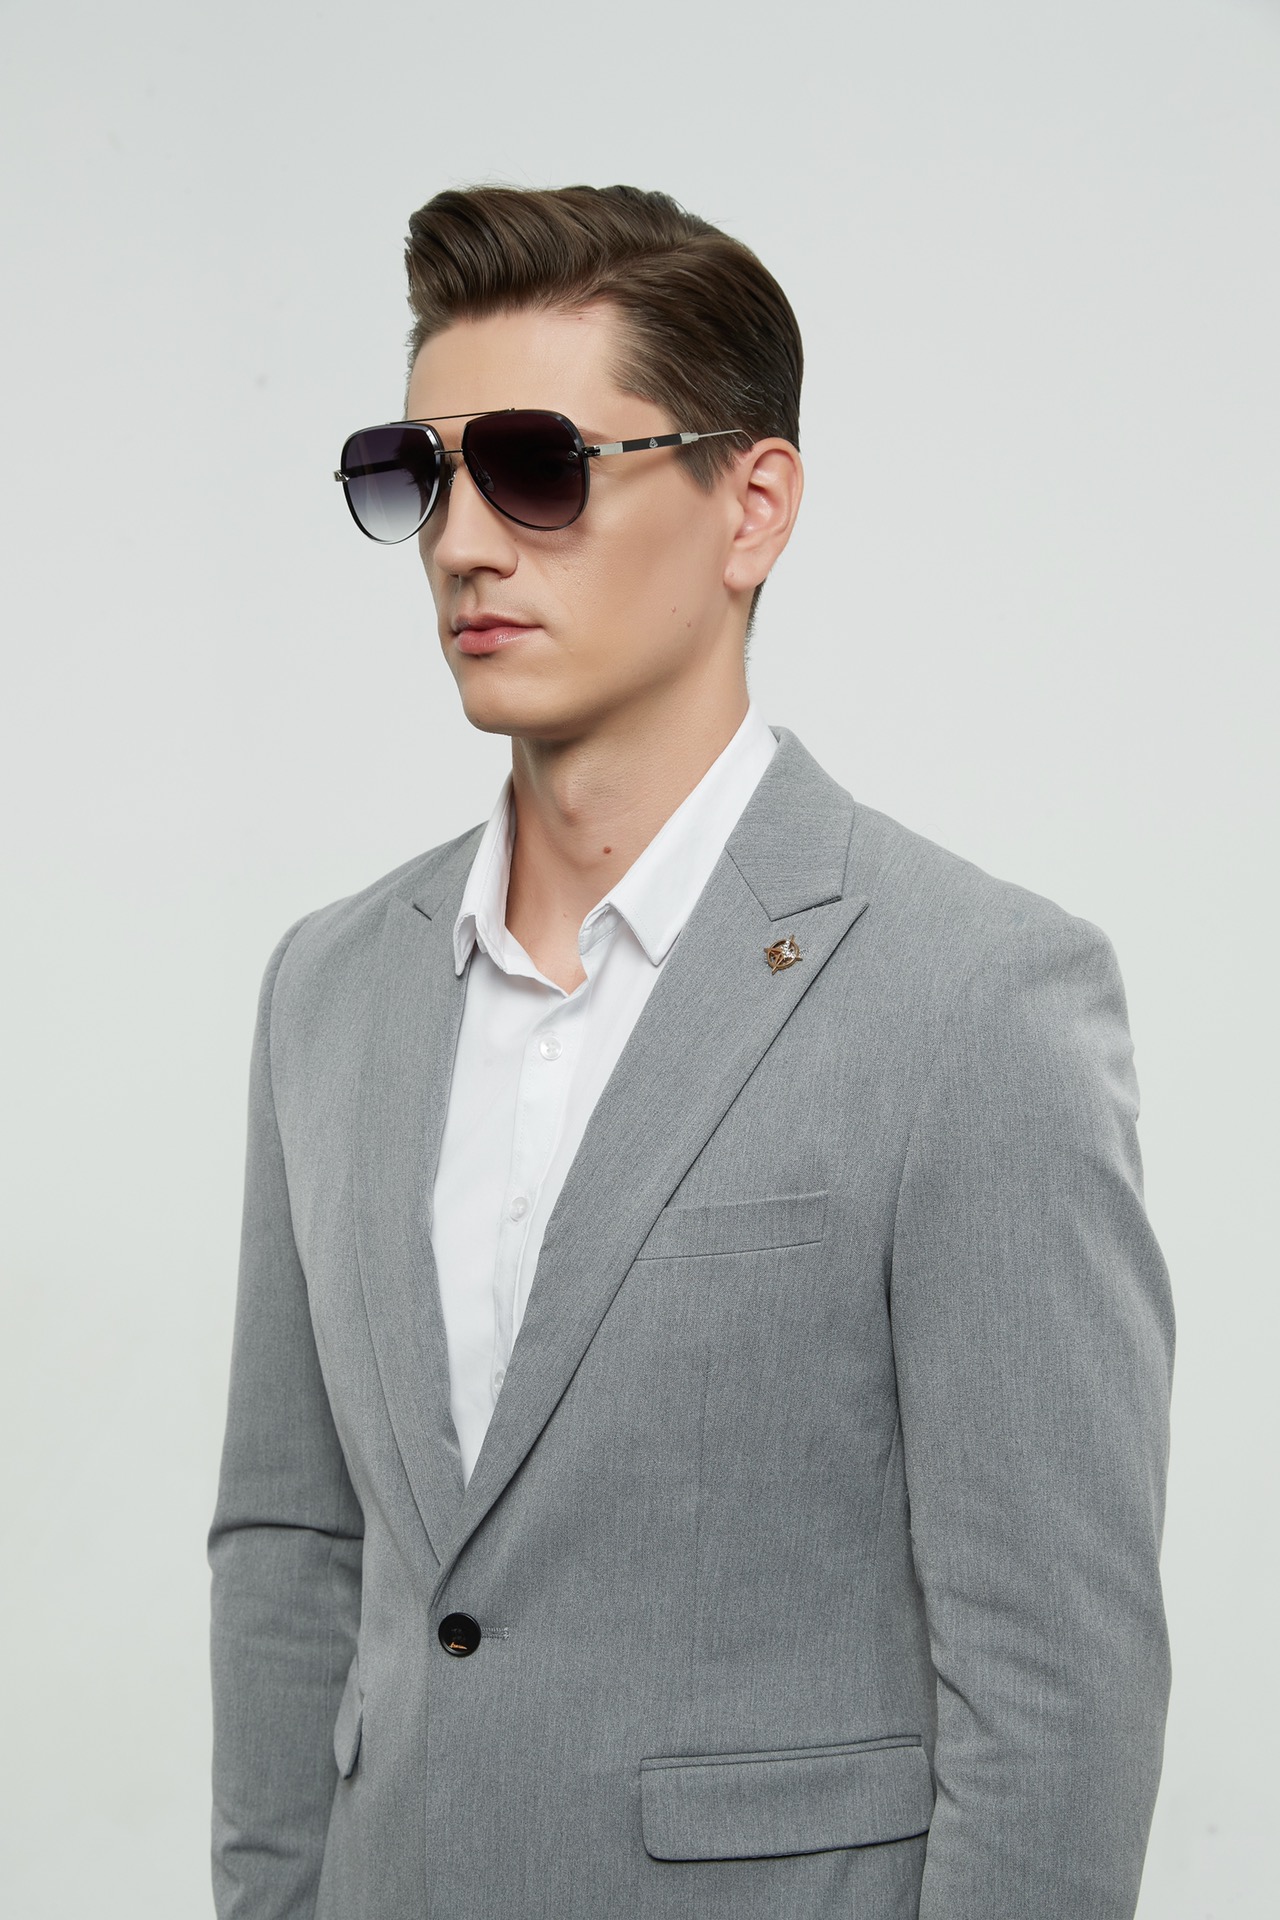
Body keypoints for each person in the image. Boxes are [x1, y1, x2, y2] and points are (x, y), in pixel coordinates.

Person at [209, 183, 1174, 1920]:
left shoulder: (977, 999)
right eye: (418, 473)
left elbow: (1058, 1680)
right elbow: (292, 1546)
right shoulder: (329, 992)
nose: (464, 540)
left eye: (539, 466)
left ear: (754, 505)